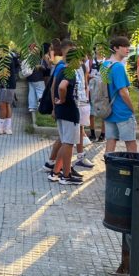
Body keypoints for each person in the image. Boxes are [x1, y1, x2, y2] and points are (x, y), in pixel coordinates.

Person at [51, 40, 84, 184]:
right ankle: (66, 175)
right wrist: (63, 99)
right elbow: (62, 87)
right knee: (68, 144)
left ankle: (55, 172)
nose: (82, 62)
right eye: (81, 59)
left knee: (65, 142)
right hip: (69, 111)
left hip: (62, 111)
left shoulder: (62, 69)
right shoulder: (70, 72)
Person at [102, 37, 137, 153]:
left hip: (108, 109)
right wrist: (132, 109)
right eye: (124, 46)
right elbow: (123, 92)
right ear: (116, 48)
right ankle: (133, 168)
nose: (128, 49)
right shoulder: (118, 67)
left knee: (111, 141)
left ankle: (109, 168)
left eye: (128, 46)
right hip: (122, 111)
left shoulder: (104, 65)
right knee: (131, 143)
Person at [0, 46, 20, 136]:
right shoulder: (5, 59)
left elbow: (1, 75)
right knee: (7, 105)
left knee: (2, 105)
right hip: (9, 85)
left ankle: (0, 127)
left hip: (6, 85)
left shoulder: (5, 59)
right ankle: (7, 127)